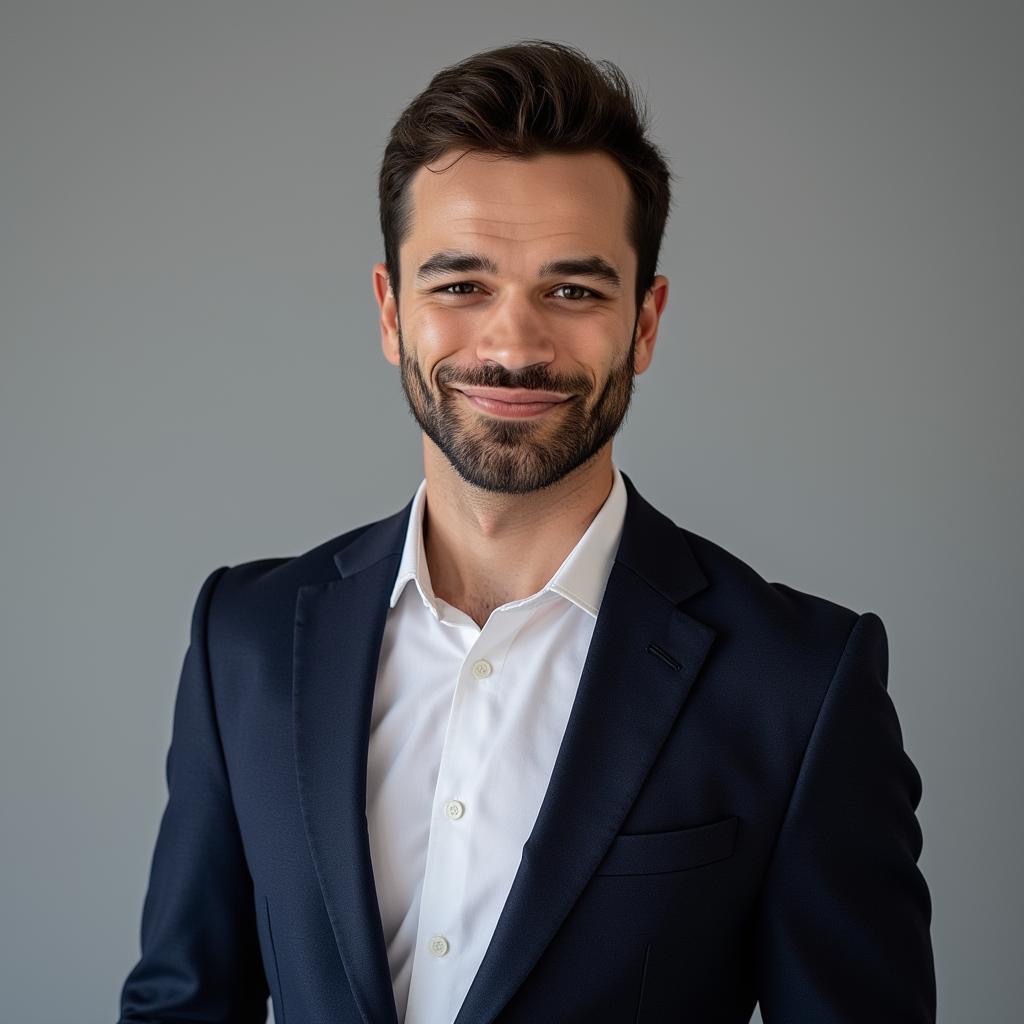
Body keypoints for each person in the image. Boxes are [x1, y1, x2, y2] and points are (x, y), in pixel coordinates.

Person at [117, 39, 936, 1024]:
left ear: (645, 322)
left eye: (575, 290)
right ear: (390, 312)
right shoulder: (242, 640)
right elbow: (180, 1007)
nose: (512, 344)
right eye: (459, 285)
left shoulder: (798, 685)